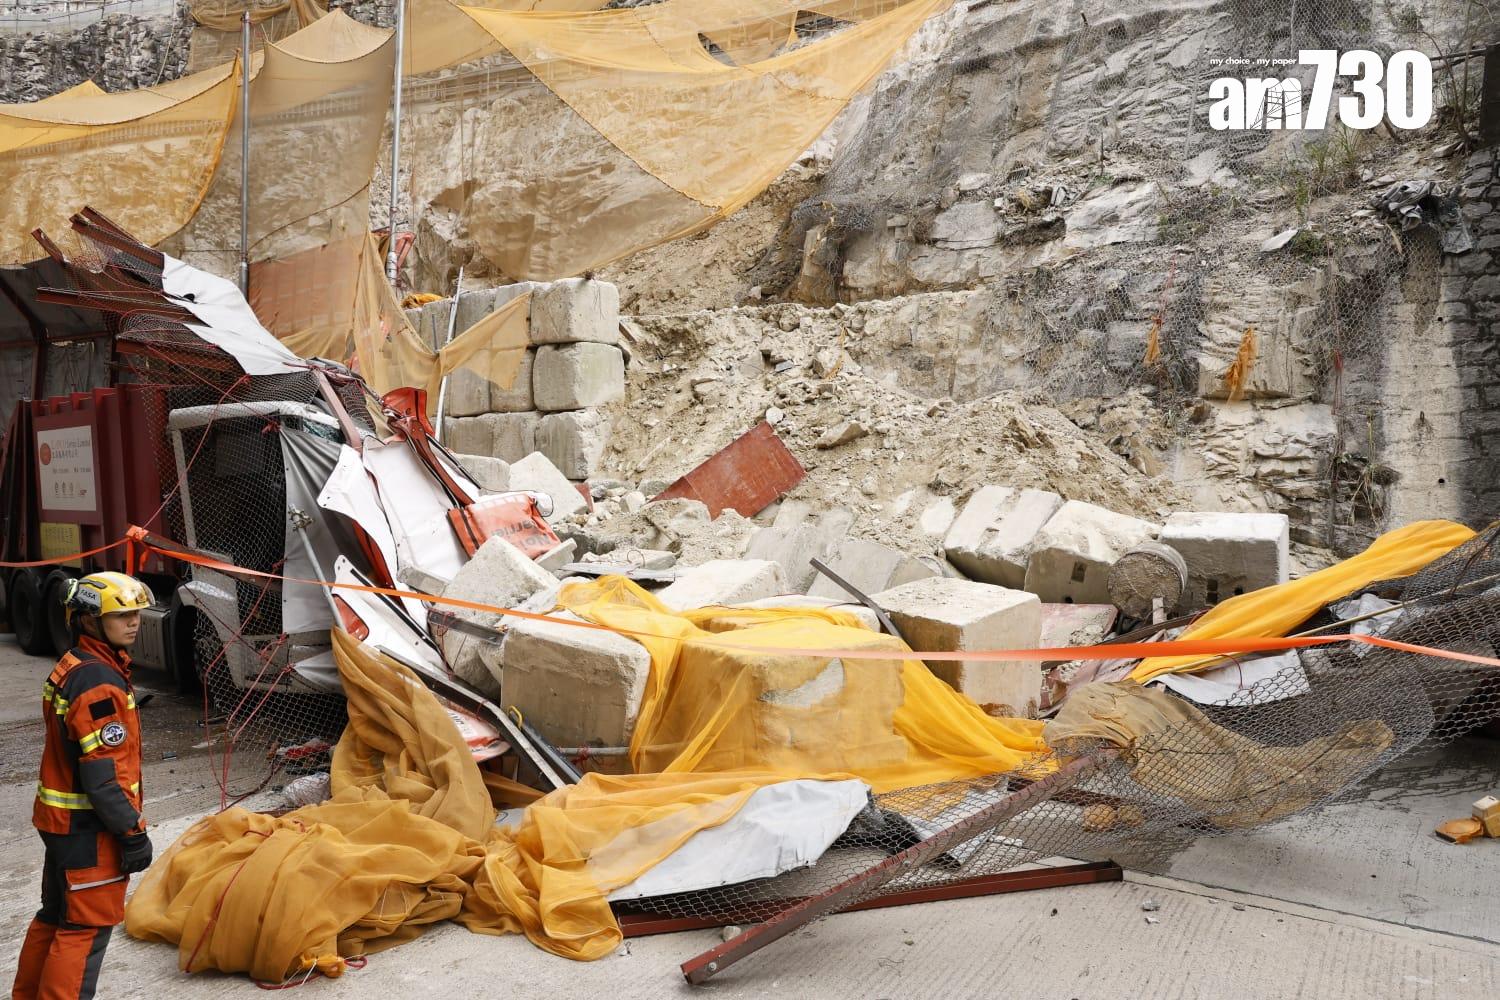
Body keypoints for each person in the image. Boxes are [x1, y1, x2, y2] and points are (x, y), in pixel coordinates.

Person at [11, 572, 155, 1000]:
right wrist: (131, 833)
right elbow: (103, 775)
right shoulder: (98, 681)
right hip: (90, 830)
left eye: (135, 614)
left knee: (55, 916)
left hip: (60, 824)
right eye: (121, 615)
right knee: (85, 930)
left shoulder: (74, 664)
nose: (133, 623)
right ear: (89, 620)